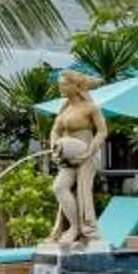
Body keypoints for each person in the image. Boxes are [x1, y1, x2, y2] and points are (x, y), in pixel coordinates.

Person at [49, 70, 106, 247]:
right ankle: (73, 226)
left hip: (86, 153)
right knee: (59, 187)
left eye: (64, 84)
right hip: (67, 154)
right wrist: (53, 148)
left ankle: (87, 230)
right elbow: (54, 131)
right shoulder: (64, 108)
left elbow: (103, 131)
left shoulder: (90, 107)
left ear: (76, 86)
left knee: (82, 190)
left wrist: (90, 151)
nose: (61, 87)